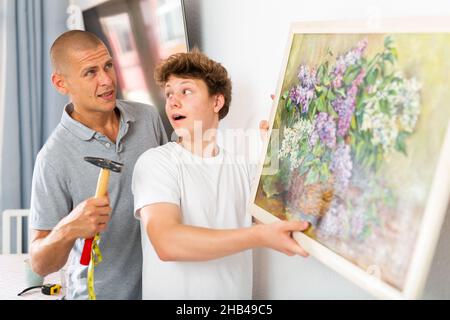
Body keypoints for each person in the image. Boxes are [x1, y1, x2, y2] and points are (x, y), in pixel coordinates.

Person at [131, 50, 309, 300]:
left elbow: (285, 214)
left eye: (186, 91)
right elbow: (167, 242)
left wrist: (284, 138)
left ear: (217, 102)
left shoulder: (244, 169)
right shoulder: (155, 163)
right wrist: (257, 237)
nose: (173, 101)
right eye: (169, 93)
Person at [29, 30, 167, 299]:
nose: (106, 80)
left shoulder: (147, 117)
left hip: (160, 290)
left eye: (108, 66)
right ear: (61, 83)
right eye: (90, 72)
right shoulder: (52, 158)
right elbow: (39, 264)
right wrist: (69, 227)